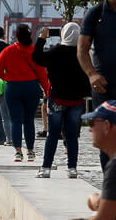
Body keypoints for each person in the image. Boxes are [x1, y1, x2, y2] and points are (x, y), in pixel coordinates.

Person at [32, 23, 90, 179]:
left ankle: (46, 168)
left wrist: (42, 39)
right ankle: (72, 168)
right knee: (72, 136)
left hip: (57, 99)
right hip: (76, 101)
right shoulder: (82, 54)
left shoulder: (55, 52)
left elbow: (36, 57)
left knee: (52, 134)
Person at [0, 24, 49, 163]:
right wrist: (47, 90)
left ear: (16, 36)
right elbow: (42, 74)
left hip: (13, 87)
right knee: (29, 120)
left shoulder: (7, 51)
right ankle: (30, 151)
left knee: (15, 120)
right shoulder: (34, 51)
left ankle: (18, 152)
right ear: (30, 36)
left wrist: (8, 78)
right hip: (31, 87)